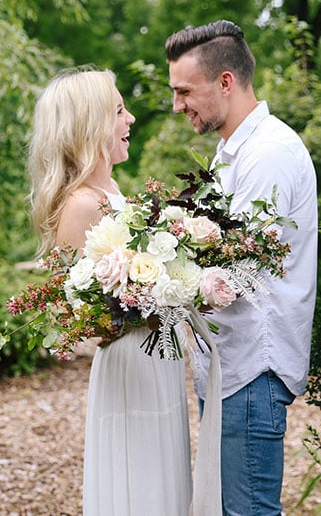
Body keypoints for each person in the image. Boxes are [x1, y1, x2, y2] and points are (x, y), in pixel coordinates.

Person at [165, 20, 318, 516]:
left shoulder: (267, 155)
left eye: (185, 91)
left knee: (247, 512)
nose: (177, 105)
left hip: (253, 368)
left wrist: (151, 280)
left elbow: (237, 272)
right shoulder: (235, 151)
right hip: (230, 366)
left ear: (225, 82)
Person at [27, 67, 193, 516]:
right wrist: (147, 302)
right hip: (131, 365)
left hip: (156, 359)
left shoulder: (112, 190)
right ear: (90, 125)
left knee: (163, 478)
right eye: (120, 110)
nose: (131, 119)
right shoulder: (81, 204)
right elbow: (74, 314)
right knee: (138, 484)